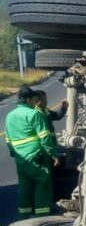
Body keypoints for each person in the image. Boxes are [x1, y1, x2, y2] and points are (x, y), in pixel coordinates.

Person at [4, 85, 59, 218]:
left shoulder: (10, 115)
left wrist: (15, 153)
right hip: (37, 156)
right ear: (28, 100)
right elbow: (45, 137)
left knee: (24, 186)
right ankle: (41, 216)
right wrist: (53, 154)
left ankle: (23, 215)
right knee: (42, 185)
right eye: (34, 99)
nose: (35, 102)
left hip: (21, 159)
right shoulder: (35, 114)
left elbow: (8, 138)